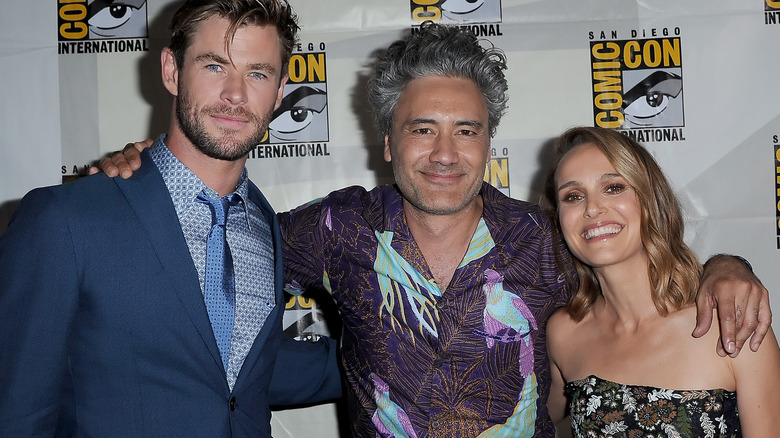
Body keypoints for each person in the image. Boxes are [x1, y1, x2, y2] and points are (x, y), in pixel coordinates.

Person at [93, 23, 771, 437]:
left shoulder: (548, 238)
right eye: (423, 130)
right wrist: (149, 175)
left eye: (465, 131)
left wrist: (728, 267)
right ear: (388, 142)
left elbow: (643, 280)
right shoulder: (339, 228)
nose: (445, 154)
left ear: (487, 144)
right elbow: (214, 241)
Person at [0, 1, 341, 437]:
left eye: (258, 73)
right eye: (215, 66)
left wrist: (406, 356)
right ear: (172, 71)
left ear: (279, 93)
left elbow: (242, 373)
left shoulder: (265, 225)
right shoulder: (65, 220)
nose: (236, 94)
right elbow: (17, 413)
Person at [543, 126, 780, 437]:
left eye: (613, 187)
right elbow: (519, 420)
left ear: (651, 199)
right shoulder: (564, 332)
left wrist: (729, 266)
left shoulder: (730, 323)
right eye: (572, 196)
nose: (592, 208)